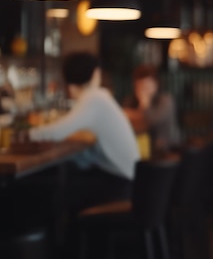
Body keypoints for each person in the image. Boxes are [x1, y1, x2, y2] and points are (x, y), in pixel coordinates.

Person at [28, 51, 140, 212]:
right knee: (66, 184)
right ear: (95, 74)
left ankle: (62, 235)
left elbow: (57, 131)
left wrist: (21, 135)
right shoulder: (97, 97)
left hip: (121, 185)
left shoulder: (94, 98)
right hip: (125, 181)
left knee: (59, 193)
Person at [123, 64, 181, 154]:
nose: (143, 91)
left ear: (156, 85)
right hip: (137, 151)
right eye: (140, 87)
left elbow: (152, 122)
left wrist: (144, 105)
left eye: (147, 86)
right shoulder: (130, 101)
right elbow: (125, 123)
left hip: (167, 152)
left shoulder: (166, 101)